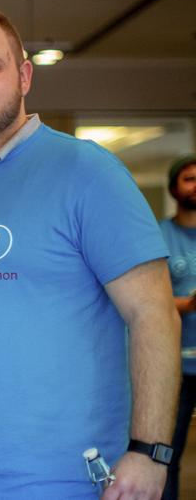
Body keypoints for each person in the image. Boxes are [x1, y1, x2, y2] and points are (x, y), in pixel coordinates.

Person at [0, 0, 179, 498]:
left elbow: (155, 314)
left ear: (24, 76)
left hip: (64, 480)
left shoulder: (87, 172)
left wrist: (150, 450)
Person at [160, 155, 196, 500]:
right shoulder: (159, 237)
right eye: (189, 179)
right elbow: (146, 301)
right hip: (177, 367)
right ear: (174, 188)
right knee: (167, 454)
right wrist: (186, 304)